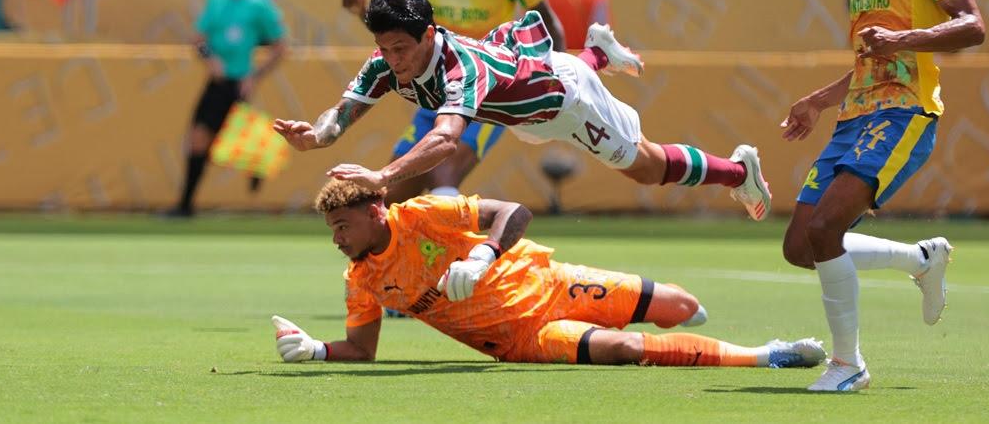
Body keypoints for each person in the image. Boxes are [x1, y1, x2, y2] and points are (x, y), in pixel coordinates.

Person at [274, 0, 773, 221]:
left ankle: (738, 171)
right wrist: (318, 136)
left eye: (400, 49)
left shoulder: (459, 69)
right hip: (523, 110)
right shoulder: (387, 60)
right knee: (528, 105)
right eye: (383, 48)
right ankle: (599, 50)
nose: (391, 60)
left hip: (565, 103)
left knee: (644, 167)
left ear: (428, 34)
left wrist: (383, 177)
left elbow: (447, 139)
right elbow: (342, 111)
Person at [779, 0, 985, 391]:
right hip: (855, 115)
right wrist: (820, 101)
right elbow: (873, 57)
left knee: (826, 229)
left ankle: (848, 366)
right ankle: (921, 258)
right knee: (801, 245)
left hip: (904, 112)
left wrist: (904, 39)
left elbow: (973, 26)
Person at [271, 182, 827, 369]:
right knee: (628, 348)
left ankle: (688, 330)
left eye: (342, 226)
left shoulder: (421, 215)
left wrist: (484, 254)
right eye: (332, 230)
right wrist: (317, 350)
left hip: (550, 280)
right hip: (523, 338)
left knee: (680, 305)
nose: (336, 239)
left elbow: (515, 212)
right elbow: (361, 351)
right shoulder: (361, 280)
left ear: (375, 214)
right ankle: (765, 354)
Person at [338, 0, 567, 204]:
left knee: (443, 174)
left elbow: (551, 28)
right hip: (434, 89)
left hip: (488, 91)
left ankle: (466, 253)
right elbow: (390, 28)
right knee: (393, 193)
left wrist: (545, 84)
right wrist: (361, 10)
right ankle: (400, 254)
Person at [169, 0, 287, 217]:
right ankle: (186, 205)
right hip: (218, 81)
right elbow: (198, 40)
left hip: (239, 83)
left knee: (228, 137)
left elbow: (280, 46)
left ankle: (258, 159)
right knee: (200, 139)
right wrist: (211, 61)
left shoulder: (259, 3)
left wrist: (254, 76)